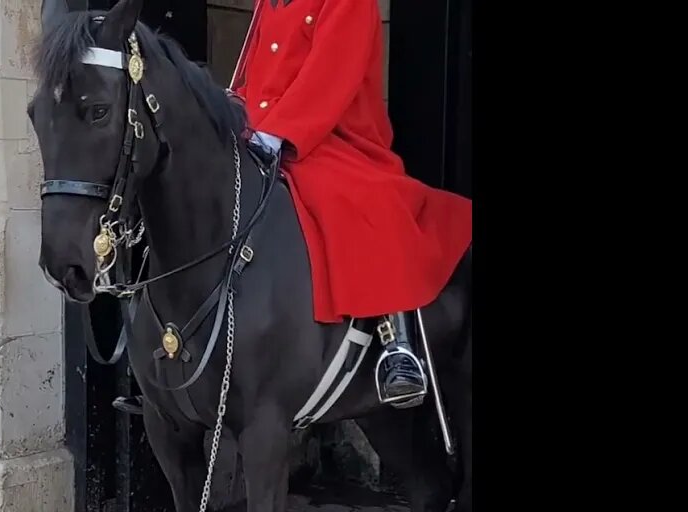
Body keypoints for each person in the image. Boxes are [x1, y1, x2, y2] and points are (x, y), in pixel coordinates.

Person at [115, 0, 472, 415]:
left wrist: (279, 132)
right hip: (263, 134)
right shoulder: (271, 3)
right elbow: (253, 78)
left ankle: (398, 343)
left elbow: (332, 75)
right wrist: (232, 113)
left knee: (370, 201)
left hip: (335, 139)